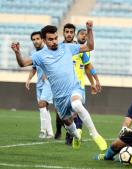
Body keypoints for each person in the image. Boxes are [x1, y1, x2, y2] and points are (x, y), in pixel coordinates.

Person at [11, 22, 108, 151]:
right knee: (68, 122)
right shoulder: (39, 56)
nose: (54, 41)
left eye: (55, 38)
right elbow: (23, 63)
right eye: (50, 39)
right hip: (59, 97)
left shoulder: (67, 48)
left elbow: (90, 46)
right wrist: (17, 53)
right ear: (44, 40)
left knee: (77, 105)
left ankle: (95, 134)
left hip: (74, 88)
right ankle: (76, 136)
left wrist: (89, 30)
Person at [25, 31, 54, 139]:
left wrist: (48, 74)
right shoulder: (34, 54)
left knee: (42, 104)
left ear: (42, 39)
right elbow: (34, 68)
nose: (35, 41)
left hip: (48, 82)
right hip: (39, 83)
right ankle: (50, 133)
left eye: (37, 39)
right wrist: (28, 79)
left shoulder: (48, 51)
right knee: (44, 108)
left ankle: (42, 131)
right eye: (33, 39)